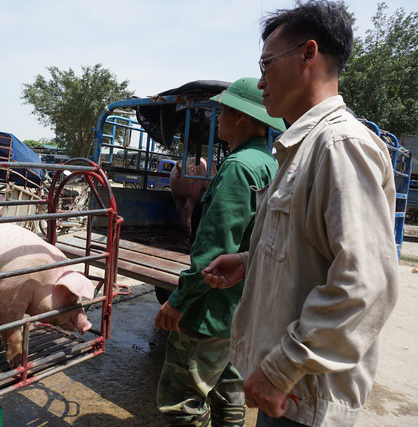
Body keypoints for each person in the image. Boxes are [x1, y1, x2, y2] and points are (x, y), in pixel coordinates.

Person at [202, 2, 399, 426]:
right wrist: (250, 262)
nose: (260, 81)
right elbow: (316, 253)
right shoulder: (303, 149)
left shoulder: (339, 145)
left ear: (308, 55)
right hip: (290, 395)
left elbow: (367, 283)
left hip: (304, 399)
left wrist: (280, 369)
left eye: (266, 64)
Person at [155, 77, 286, 426]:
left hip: (208, 309)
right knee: (230, 389)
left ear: (242, 117)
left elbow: (214, 252)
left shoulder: (238, 167)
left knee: (181, 400)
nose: (219, 117)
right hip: (239, 307)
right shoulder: (269, 163)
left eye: (224, 110)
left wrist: (179, 300)